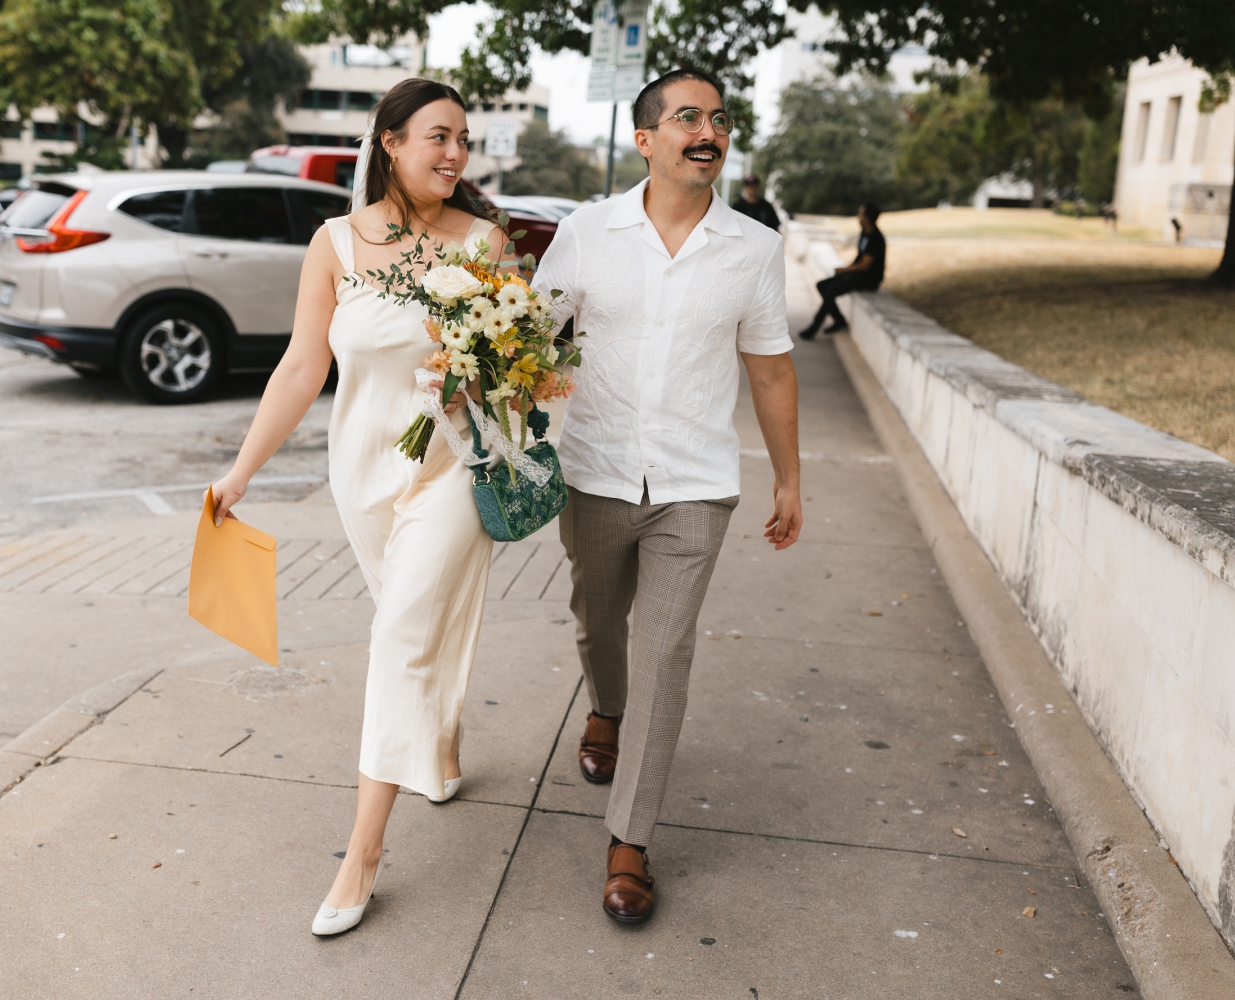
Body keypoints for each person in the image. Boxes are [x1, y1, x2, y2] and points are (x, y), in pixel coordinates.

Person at [207, 78, 509, 937]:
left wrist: (480, 376)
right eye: (437, 137)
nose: (453, 154)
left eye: (462, 140)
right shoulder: (334, 242)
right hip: (363, 468)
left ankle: (363, 853)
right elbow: (303, 368)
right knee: (407, 627)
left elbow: (520, 371)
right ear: (390, 143)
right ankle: (440, 741)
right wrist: (240, 473)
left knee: (400, 635)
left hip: (451, 467)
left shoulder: (486, 243)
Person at [532, 68, 802, 924]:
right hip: (596, 471)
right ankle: (602, 709)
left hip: (695, 483)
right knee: (597, 621)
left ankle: (629, 841)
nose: (708, 131)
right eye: (688, 117)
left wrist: (789, 476)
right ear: (645, 140)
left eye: (719, 119)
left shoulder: (753, 248)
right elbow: (529, 340)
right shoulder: (586, 231)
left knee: (665, 655)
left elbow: (769, 368)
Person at [796, 202, 885, 339]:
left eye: (860, 214)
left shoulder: (875, 238)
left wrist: (844, 270)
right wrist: (847, 270)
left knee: (831, 291)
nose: (858, 217)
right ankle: (839, 320)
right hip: (857, 274)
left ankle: (814, 326)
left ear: (867, 218)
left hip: (869, 279)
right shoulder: (864, 233)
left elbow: (865, 266)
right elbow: (859, 259)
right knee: (822, 285)